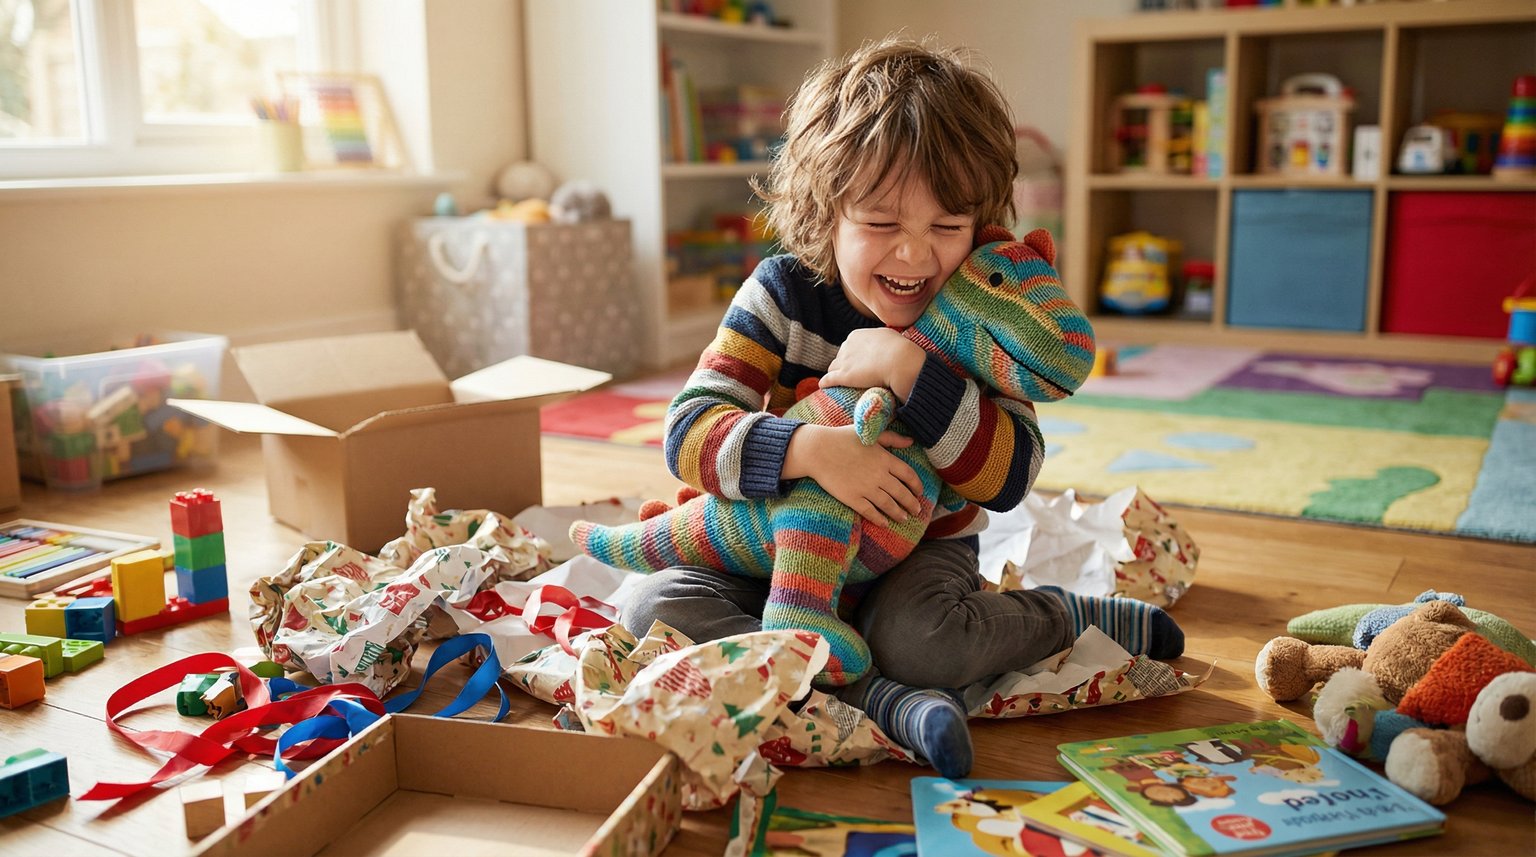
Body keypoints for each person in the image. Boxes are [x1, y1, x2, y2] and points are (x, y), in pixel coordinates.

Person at [621, 36, 1184, 778]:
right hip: (776, 552)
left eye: (946, 228)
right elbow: (690, 432)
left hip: (916, 555)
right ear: (826, 213)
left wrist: (912, 369)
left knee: (926, 643)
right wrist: (810, 452)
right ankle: (883, 699)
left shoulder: (984, 309)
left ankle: (1065, 614)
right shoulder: (782, 292)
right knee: (649, 606)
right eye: (883, 224)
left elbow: (1010, 478)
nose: (915, 256)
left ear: (980, 226)